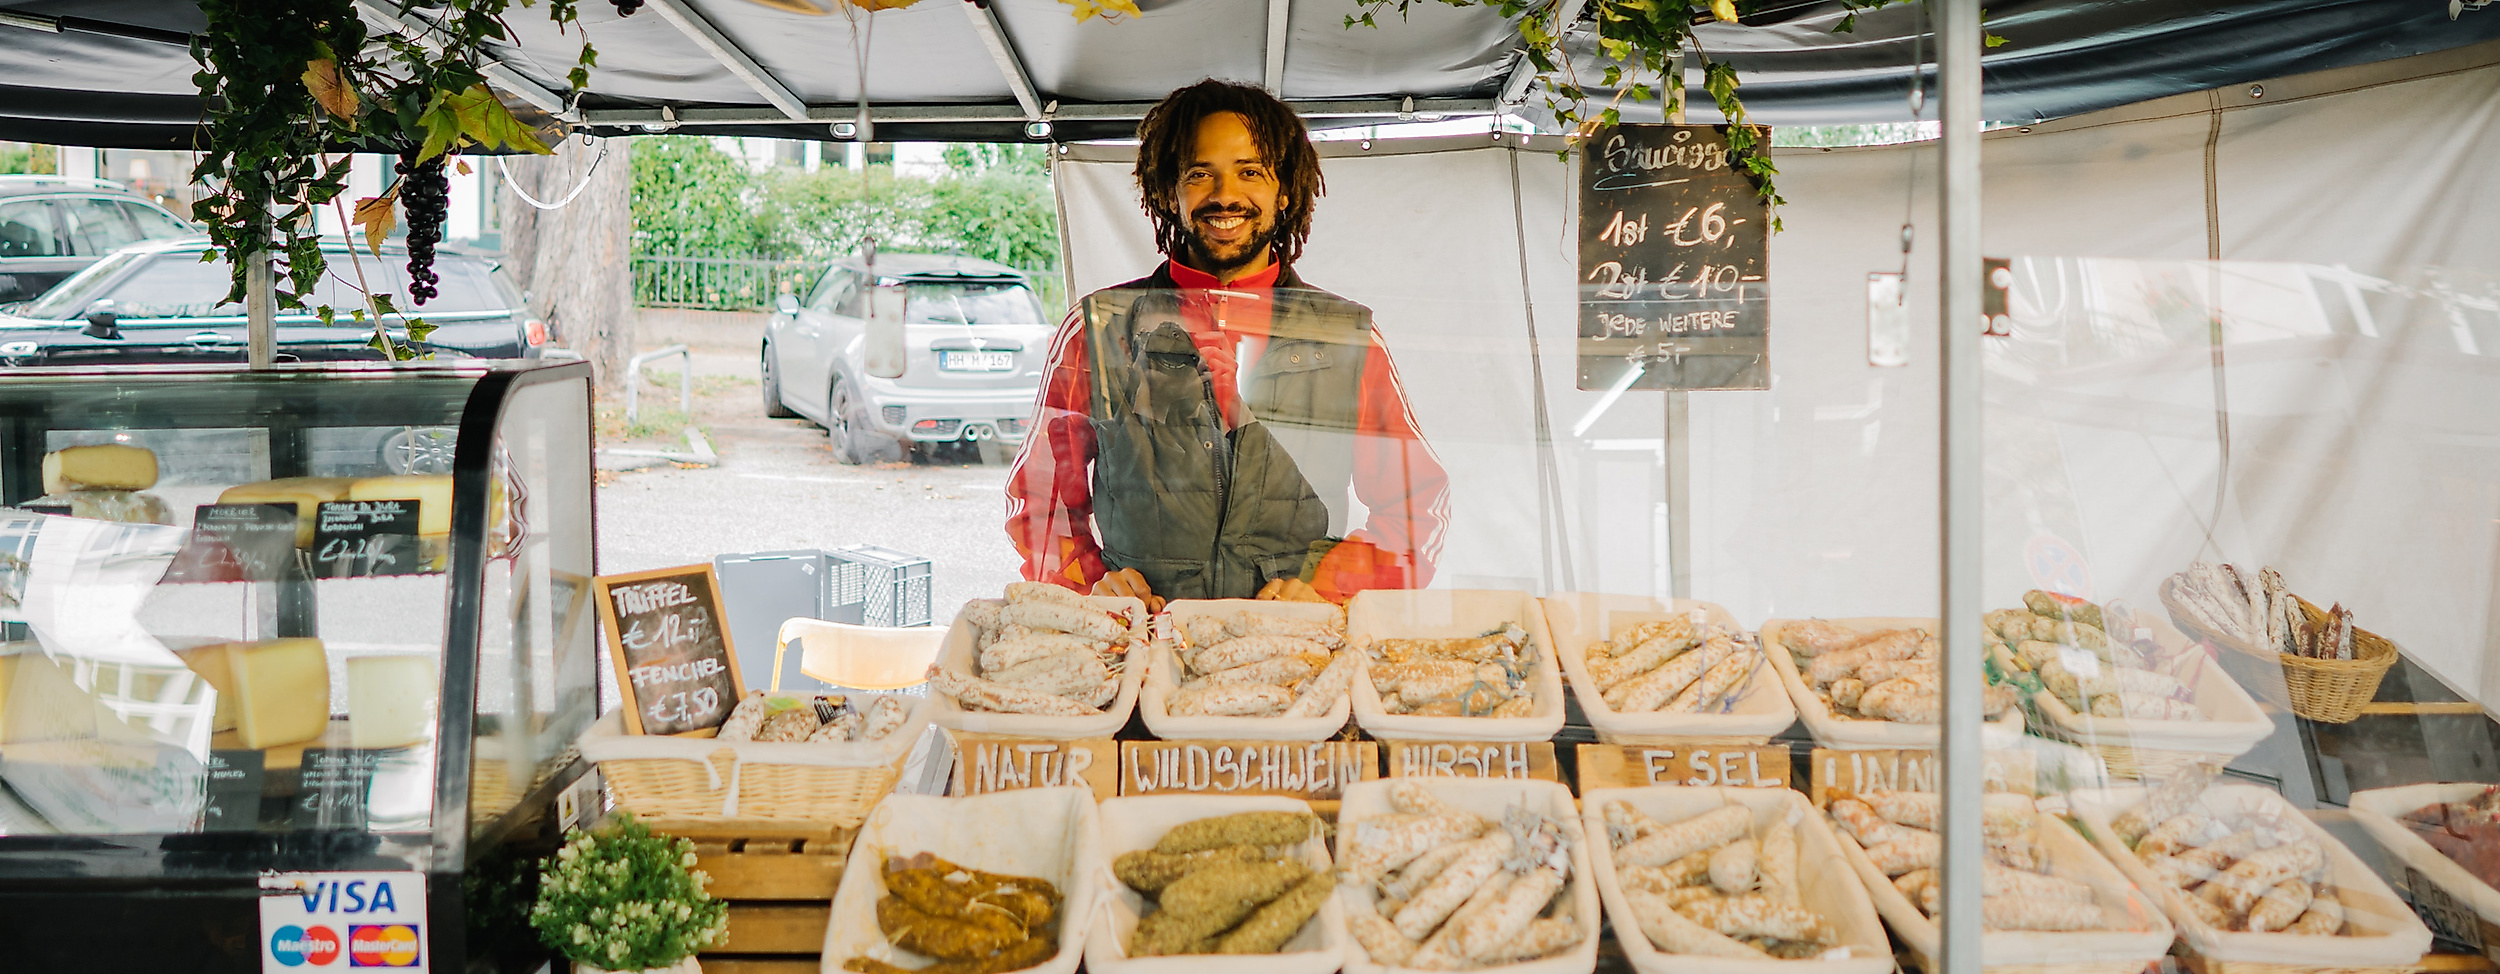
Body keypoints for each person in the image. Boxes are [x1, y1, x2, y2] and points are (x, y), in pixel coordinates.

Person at [1004, 79, 1448, 610]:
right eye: (1199, 173)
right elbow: (1041, 499)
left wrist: (1331, 591)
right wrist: (1091, 585)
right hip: (1141, 643)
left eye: (1250, 172)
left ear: (1283, 192)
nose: (1225, 194)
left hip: (1293, 645)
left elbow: (1416, 505)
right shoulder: (1100, 328)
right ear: (1170, 192)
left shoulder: (1345, 335)